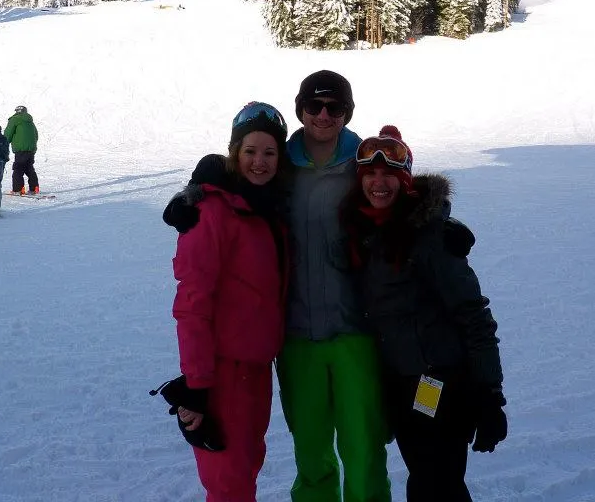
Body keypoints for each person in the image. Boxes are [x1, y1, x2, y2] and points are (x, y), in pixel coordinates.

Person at [164, 70, 392, 502]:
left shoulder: (361, 163)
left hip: (354, 331)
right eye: (313, 106)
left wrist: (439, 219)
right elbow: (235, 172)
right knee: (311, 453)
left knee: (363, 450)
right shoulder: (281, 166)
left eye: (334, 107)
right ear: (300, 109)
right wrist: (198, 185)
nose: (323, 115)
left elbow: (399, 194)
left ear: (347, 112)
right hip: (295, 339)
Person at [342, 126, 507, 502]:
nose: (379, 183)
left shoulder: (429, 235)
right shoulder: (363, 231)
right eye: (370, 174)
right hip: (403, 386)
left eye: (389, 175)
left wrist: (490, 393)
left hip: (441, 383)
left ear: (405, 181)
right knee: (425, 480)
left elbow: (474, 314)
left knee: (438, 485)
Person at [162, 101, 290, 502]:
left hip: (256, 369)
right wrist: (198, 386)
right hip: (222, 375)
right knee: (229, 483)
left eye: (270, 152)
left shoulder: (265, 207)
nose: (259, 162)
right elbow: (192, 305)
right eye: (250, 151)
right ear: (235, 152)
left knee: (245, 471)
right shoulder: (212, 210)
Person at [4, 105, 40, 195]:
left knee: (18, 169)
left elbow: (8, 134)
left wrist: (4, 143)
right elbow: (36, 135)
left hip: (20, 150)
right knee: (29, 168)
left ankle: (18, 190)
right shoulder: (30, 121)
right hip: (31, 150)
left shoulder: (14, 119)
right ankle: (34, 188)